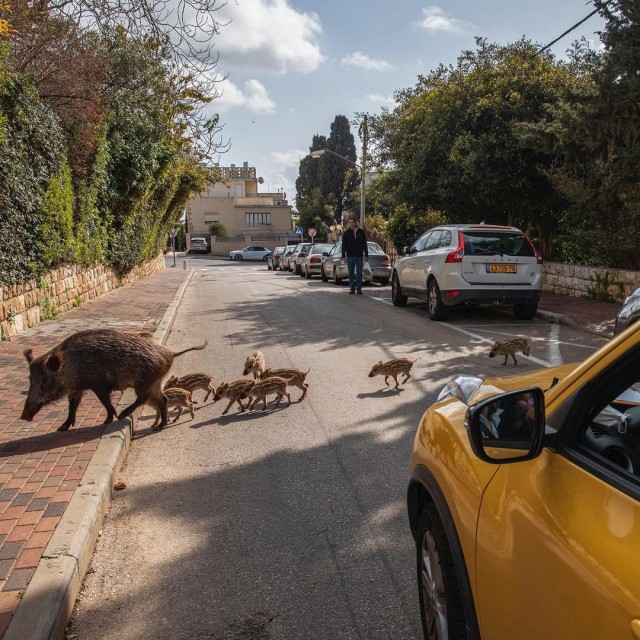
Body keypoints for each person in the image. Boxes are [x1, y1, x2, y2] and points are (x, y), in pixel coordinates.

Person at [341, 216, 368, 294]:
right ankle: (352, 288)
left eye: (352, 222)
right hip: (350, 256)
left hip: (359, 256)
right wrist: (343, 256)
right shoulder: (346, 233)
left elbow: (364, 244)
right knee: (351, 273)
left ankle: (359, 288)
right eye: (350, 223)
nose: (351, 224)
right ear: (348, 224)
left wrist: (366, 254)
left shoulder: (361, 232)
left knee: (359, 272)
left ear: (355, 223)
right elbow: (344, 245)